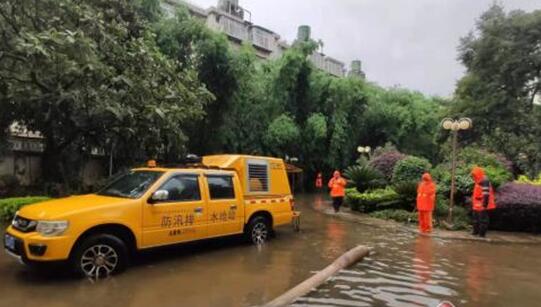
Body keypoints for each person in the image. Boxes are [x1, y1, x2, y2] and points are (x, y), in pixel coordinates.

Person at [470, 166, 496, 237]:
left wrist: (484, 205)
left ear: (477, 174)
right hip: (477, 204)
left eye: (474, 175)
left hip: (482, 204)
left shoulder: (484, 181)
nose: (473, 177)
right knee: (476, 219)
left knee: (482, 220)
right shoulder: (478, 180)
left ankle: (481, 234)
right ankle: (475, 232)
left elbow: (486, 195)